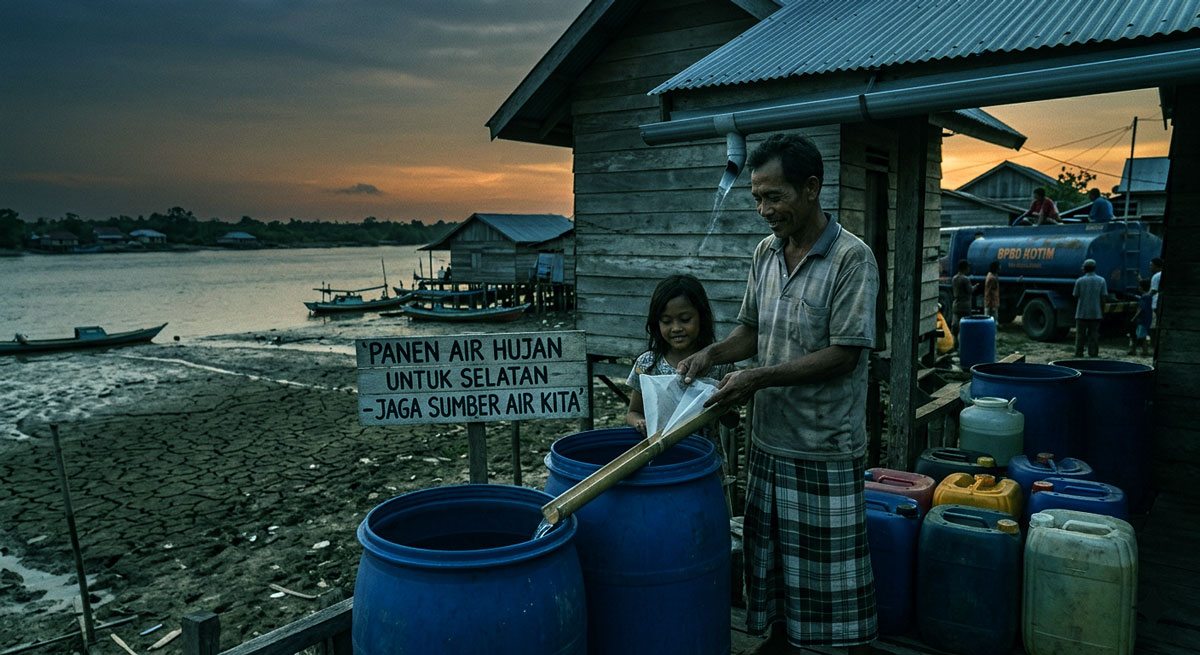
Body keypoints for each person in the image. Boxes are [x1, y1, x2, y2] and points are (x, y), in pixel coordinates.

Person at [675, 133, 880, 654]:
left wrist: (758, 378)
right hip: (770, 442)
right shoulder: (766, 253)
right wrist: (712, 356)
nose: (764, 210)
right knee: (776, 576)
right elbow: (750, 330)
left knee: (828, 596)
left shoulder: (852, 260)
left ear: (811, 188)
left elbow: (845, 354)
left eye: (775, 197)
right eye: (757, 199)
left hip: (824, 447)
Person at [625, 274, 730, 437]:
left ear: (701, 317)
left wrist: (723, 408)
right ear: (656, 323)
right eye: (666, 321)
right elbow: (633, 412)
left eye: (685, 319)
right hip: (665, 459)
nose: (676, 328)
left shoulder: (718, 364)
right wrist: (640, 422)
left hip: (705, 457)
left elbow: (732, 420)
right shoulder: (647, 364)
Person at [1073, 258, 1107, 357]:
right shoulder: (1101, 280)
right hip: (1096, 313)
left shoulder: (1080, 281)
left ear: (1085, 268)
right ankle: (1093, 353)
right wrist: (1102, 311)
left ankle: (1079, 353)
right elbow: (1103, 297)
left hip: (1081, 312)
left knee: (1080, 335)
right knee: (1094, 335)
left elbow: (1075, 295)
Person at [951, 260, 977, 341]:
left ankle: (955, 341)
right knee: (965, 325)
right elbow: (970, 290)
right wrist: (975, 286)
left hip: (956, 304)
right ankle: (964, 341)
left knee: (955, 324)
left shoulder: (954, 278)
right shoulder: (965, 279)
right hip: (965, 305)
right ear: (965, 268)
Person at [1129, 279, 1152, 356]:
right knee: (1142, 335)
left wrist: (1134, 318)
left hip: (1142, 320)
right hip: (1147, 318)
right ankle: (1143, 350)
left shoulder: (1144, 298)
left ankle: (1141, 351)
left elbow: (1140, 309)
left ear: (1141, 288)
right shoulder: (1149, 296)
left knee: (1139, 335)